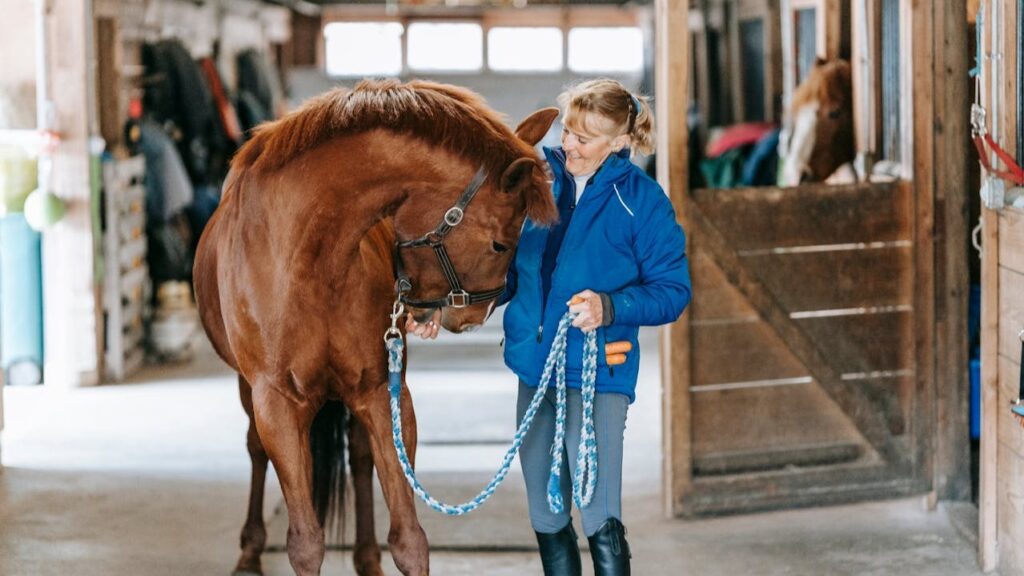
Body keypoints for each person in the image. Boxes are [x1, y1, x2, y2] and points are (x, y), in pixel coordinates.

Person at [407, 78, 691, 576]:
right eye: (567, 132)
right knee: (546, 511)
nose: (568, 145)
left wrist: (611, 305)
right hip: (535, 369)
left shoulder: (642, 203)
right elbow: (509, 273)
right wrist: (439, 309)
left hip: (599, 371)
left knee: (599, 511)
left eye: (584, 138)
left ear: (618, 143)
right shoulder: (539, 182)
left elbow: (673, 291)